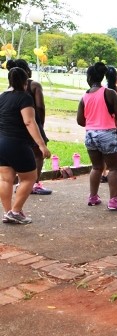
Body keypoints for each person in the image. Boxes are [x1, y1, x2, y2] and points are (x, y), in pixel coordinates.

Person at [76, 62, 117, 211]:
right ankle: (113, 200)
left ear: (89, 77)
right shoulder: (109, 93)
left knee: (96, 167)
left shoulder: (85, 96)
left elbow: (80, 121)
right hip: (107, 133)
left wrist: (93, 120)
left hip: (90, 134)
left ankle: (93, 197)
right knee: (114, 168)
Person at [0, 67, 51, 224]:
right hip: (18, 143)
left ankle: (8, 212)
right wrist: (42, 145)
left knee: (5, 179)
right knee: (30, 178)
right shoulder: (25, 98)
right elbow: (29, 121)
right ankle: (15, 212)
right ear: (25, 80)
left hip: (1, 142)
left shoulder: (2, 97)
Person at [6, 59, 52, 195]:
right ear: (26, 70)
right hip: (32, 121)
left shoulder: (10, 88)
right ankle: (34, 183)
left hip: (16, 126)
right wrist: (41, 124)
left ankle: (21, 182)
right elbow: (40, 106)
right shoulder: (34, 85)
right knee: (38, 154)